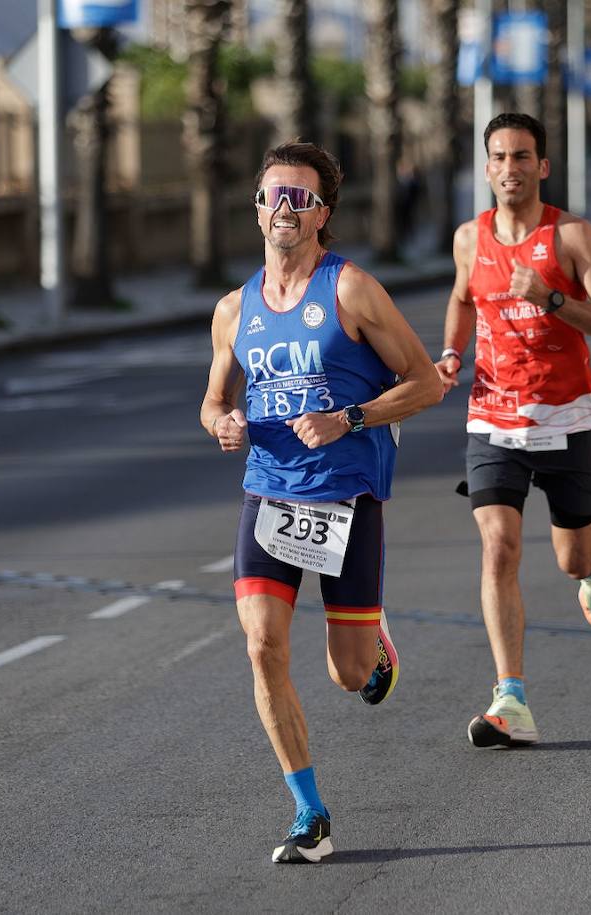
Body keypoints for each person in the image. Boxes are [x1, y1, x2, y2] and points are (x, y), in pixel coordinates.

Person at [201, 141, 442, 863]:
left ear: (322, 213)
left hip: (348, 497)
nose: (285, 207)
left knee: (346, 671)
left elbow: (426, 382)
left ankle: (374, 653)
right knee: (261, 645)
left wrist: (350, 418)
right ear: (256, 207)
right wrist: (224, 423)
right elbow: (213, 400)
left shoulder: (352, 291)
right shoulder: (233, 309)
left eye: (300, 197)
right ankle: (310, 813)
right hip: (269, 495)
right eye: (274, 194)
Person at [435, 113, 591, 749]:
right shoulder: (470, 238)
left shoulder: (572, 236)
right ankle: (510, 697)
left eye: (523, 156)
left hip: (565, 414)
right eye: (500, 156)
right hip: (493, 415)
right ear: (486, 167)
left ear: (542, 167)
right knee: (499, 548)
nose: (511, 167)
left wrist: (551, 299)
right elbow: (464, 298)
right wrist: (451, 354)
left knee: (573, 554)